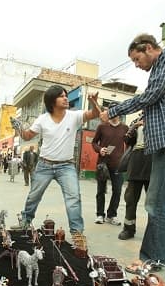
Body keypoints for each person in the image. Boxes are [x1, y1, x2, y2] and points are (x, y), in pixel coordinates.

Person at [100, 33, 165, 271]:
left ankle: (151, 259)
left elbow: (151, 95)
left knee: (156, 201)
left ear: (148, 48)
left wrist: (116, 109)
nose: (137, 65)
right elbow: (158, 99)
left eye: (137, 59)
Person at [13, 84, 100, 235]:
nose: (66, 98)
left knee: (73, 199)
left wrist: (93, 101)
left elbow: (95, 114)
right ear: (52, 100)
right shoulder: (42, 119)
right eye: (61, 96)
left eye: (66, 95)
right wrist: (17, 127)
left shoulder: (74, 116)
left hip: (66, 166)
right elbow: (27, 136)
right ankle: (25, 221)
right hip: (44, 165)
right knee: (34, 195)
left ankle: (77, 233)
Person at [92, 105, 128, 226]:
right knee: (100, 191)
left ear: (119, 112)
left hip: (118, 165)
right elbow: (94, 143)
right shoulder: (102, 127)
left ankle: (112, 215)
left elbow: (129, 144)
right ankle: (100, 215)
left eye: (116, 111)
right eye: (111, 111)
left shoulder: (125, 128)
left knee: (117, 191)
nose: (113, 113)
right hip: (103, 164)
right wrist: (99, 149)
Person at [118, 116, 152, 240]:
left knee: (153, 202)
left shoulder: (160, 118)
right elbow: (127, 140)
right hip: (136, 163)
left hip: (153, 163)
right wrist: (134, 126)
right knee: (130, 199)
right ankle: (128, 229)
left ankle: (153, 232)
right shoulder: (136, 121)